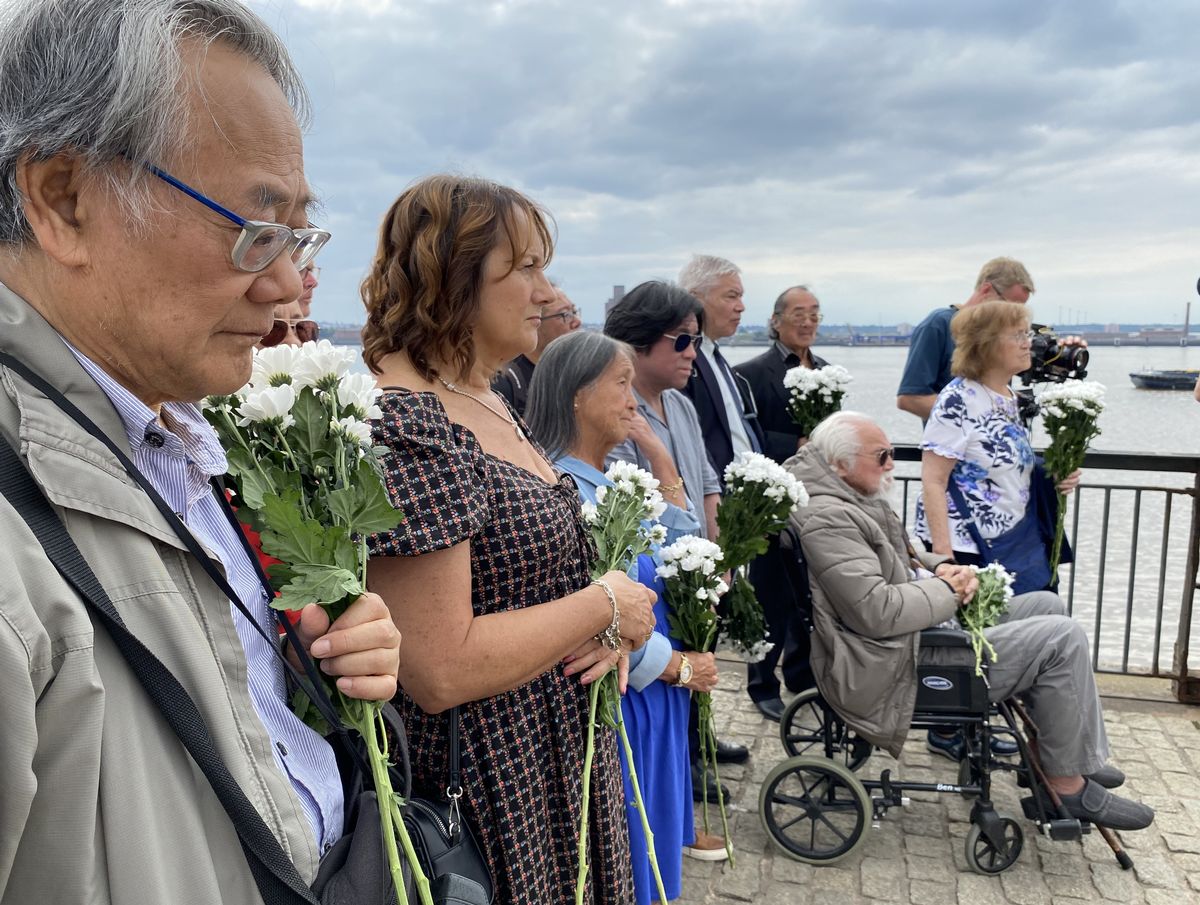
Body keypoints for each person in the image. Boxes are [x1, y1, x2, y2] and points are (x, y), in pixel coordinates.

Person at [0, 3, 403, 903]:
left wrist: (311, 672)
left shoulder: (170, 434)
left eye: (301, 235)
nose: (289, 281)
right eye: (256, 228)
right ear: (62, 199)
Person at [360, 174, 656, 904]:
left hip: (550, 755)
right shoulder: (411, 420)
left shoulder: (487, 395)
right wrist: (604, 604)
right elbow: (438, 665)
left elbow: (529, 578)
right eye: (524, 268)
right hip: (495, 779)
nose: (547, 292)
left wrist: (605, 631)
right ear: (454, 279)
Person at [788, 412, 1154, 831]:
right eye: (882, 456)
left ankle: (1058, 751)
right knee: (1061, 638)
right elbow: (877, 610)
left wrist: (943, 566)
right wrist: (950, 592)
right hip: (892, 662)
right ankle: (1065, 785)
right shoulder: (829, 517)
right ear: (840, 464)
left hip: (908, 638)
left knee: (1045, 605)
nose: (892, 464)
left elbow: (899, 558)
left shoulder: (846, 496)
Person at [526, 330, 728, 896]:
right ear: (575, 395)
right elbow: (583, 619)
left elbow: (681, 545)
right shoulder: (564, 489)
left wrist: (660, 456)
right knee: (630, 861)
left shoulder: (609, 480)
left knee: (657, 854)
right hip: (623, 700)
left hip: (654, 698)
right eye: (621, 384)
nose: (633, 401)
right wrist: (676, 666)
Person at [603, 281, 747, 803]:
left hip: (693, 566)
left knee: (699, 661)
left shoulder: (681, 407)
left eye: (697, 342)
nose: (693, 354)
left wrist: (715, 559)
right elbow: (631, 509)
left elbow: (708, 483)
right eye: (683, 341)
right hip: (654, 581)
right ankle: (682, 770)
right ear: (640, 341)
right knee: (671, 672)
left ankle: (699, 745)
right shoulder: (616, 415)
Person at [914, 302, 1081, 588]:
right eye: (1017, 335)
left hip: (1012, 540)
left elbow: (1005, 465)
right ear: (986, 345)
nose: (1027, 343)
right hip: (968, 547)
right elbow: (933, 480)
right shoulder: (958, 400)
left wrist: (1056, 474)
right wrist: (944, 559)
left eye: (1026, 334)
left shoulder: (1008, 397)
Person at [732, 285, 830, 718]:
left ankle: (802, 674)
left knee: (806, 595)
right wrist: (795, 441)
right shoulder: (751, 373)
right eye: (798, 314)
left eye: (814, 314)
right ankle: (761, 680)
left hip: (814, 505)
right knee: (769, 596)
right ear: (776, 321)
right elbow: (744, 441)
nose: (807, 321)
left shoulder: (828, 372)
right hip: (769, 504)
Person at [896, 257, 1035, 422]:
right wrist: (977, 422)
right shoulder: (938, 324)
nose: (1013, 313)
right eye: (1010, 305)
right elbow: (910, 398)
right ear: (986, 290)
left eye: (1020, 308)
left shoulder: (999, 335)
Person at [677, 254, 766, 474]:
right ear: (694, 298)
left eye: (741, 297)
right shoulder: (684, 361)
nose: (741, 307)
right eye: (732, 296)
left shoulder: (716, 357)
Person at [492, 283, 582, 416]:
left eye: (574, 312)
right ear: (535, 322)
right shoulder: (506, 385)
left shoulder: (578, 376)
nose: (577, 322)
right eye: (565, 314)